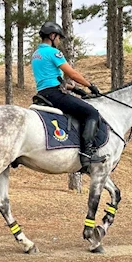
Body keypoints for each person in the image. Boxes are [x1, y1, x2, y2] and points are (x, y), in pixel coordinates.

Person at [30, 21, 106, 170]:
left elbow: (53, 78)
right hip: (55, 94)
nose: (58, 41)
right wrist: (90, 85)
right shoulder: (53, 52)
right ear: (52, 36)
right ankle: (87, 153)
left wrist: (78, 90)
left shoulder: (36, 54)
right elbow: (71, 73)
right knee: (92, 113)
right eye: (58, 38)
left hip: (43, 92)